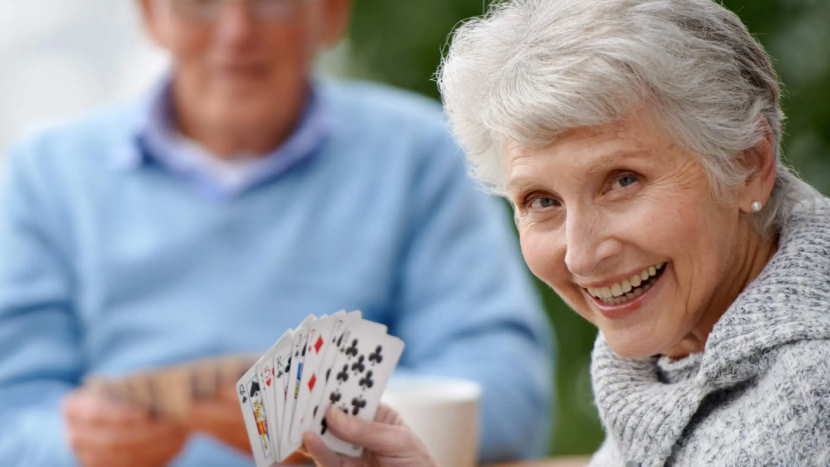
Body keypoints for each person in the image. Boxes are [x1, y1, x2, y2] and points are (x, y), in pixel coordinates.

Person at [0, 0, 555, 465]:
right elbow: (11, 412)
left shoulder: (420, 155)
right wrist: (74, 445)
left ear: (330, 13)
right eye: (200, 3)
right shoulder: (46, 174)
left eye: (273, 1)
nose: (237, 32)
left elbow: (507, 392)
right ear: (151, 15)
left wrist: (329, 415)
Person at [305, 0, 830, 465]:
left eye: (622, 181)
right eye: (542, 201)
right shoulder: (668, 355)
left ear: (748, 166)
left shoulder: (812, 390)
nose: (582, 256)